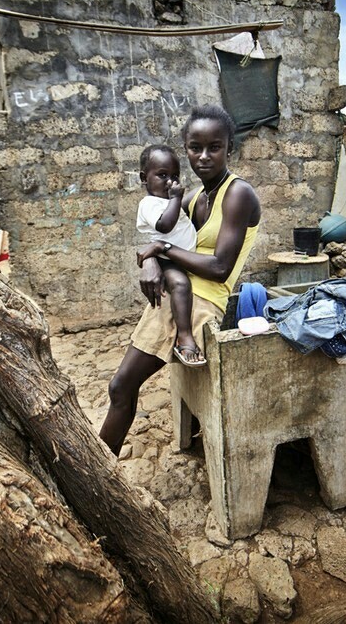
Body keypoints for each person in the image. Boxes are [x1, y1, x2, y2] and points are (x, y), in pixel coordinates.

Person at [100, 105, 261, 455]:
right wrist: (150, 263)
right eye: (194, 147)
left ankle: (96, 474)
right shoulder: (190, 198)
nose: (203, 156)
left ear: (229, 148)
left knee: (121, 385)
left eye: (214, 147)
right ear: (185, 148)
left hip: (202, 303)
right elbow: (155, 236)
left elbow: (219, 267)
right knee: (120, 387)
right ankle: (99, 470)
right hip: (176, 294)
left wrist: (162, 251)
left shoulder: (238, 194)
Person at [134, 144, 204, 367]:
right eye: (162, 175)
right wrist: (175, 199)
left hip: (176, 257)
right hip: (167, 261)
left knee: (183, 284)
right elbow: (164, 226)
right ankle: (185, 336)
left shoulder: (164, 201)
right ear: (144, 178)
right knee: (181, 285)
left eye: (175, 176)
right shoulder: (149, 204)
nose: (170, 182)